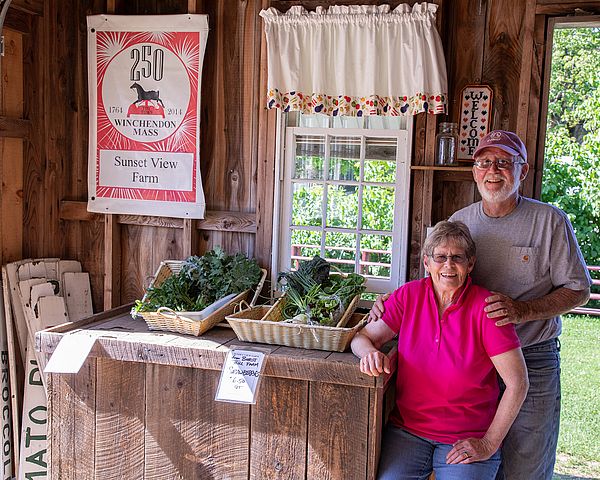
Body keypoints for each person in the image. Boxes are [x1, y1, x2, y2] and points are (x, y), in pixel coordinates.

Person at [370, 130, 592, 480]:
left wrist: (523, 310)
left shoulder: (550, 221)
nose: (493, 170)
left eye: (504, 162)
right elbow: (437, 276)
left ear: (523, 171)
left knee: (526, 463)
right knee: (477, 455)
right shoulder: (463, 220)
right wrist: (389, 301)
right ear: (474, 171)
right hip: (472, 360)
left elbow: (579, 290)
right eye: (485, 162)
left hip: (531, 355)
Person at [352, 220, 529, 480]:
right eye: (440, 257)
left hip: (467, 437)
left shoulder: (486, 308)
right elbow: (363, 337)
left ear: (470, 264)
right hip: (408, 432)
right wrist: (368, 353)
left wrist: (488, 444)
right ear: (427, 263)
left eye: (457, 258)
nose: (448, 265)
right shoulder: (408, 296)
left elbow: (518, 383)